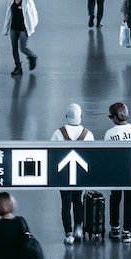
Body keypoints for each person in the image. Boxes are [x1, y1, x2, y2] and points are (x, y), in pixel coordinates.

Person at [104, 102, 131, 243]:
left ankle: (115, 227)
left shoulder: (110, 134)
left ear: (114, 118)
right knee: (130, 202)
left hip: (116, 173)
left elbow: (106, 156)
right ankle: (127, 232)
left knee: (115, 199)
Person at [52, 104, 93, 245]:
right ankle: (78, 229)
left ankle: (68, 233)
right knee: (78, 201)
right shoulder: (88, 134)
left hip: (63, 176)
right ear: (80, 116)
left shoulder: (58, 133)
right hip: (81, 176)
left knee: (65, 204)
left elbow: (50, 153)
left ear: (66, 117)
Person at [2, 0, 39, 77]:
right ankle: (18, 67)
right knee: (14, 49)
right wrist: (6, 29)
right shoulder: (11, 1)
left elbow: (34, 14)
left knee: (22, 48)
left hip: (23, 29)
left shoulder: (27, 0)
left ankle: (32, 57)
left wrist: (32, 26)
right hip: (13, 28)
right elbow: (8, 16)